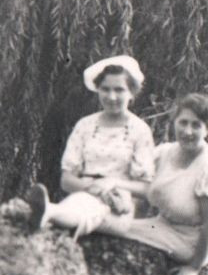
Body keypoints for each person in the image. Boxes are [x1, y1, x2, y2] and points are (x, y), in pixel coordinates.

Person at [25, 55, 155, 238]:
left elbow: (146, 189)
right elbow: (66, 181)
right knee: (81, 204)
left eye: (119, 90)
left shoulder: (140, 130)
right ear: (98, 90)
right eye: (105, 89)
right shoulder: (84, 126)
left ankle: (50, 212)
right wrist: (90, 187)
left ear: (131, 92)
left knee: (93, 210)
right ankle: (52, 213)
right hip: (83, 195)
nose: (111, 97)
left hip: (118, 206)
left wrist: (113, 183)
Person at [112, 93, 208, 275]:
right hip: (163, 224)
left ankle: (52, 214)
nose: (188, 131)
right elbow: (142, 189)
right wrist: (130, 215)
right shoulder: (164, 153)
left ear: (207, 130)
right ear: (174, 122)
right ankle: (55, 213)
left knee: (109, 226)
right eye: (183, 122)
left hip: (191, 241)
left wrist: (193, 268)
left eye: (196, 125)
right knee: (111, 212)